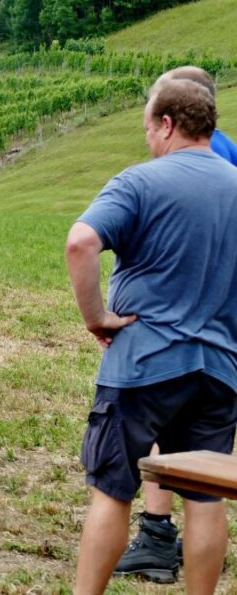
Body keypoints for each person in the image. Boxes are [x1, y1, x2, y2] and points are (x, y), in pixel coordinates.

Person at [66, 77, 237, 594]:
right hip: (220, 370)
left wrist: (96, 318)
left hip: (143, 365)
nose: (147, 141)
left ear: (167, 124)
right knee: (205, 498)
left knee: (113, 491)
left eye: (147, 128)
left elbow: (81, 243)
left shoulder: (140, 182)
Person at [113, 65, 237, 583]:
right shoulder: (225, 154)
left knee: (177, 448)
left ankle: (159, 535)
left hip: (175, 337)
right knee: (205, 473)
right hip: (218, 345)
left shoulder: (207, 160)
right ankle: (164, 535)